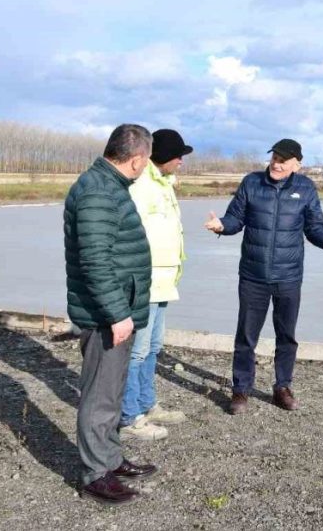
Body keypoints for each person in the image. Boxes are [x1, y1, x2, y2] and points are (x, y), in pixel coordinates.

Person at [204, 138, 323, 414]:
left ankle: (281, 387)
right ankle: (240, 390)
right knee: (246, 336)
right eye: (274, 157)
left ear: (297, 164)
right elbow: (235, 218)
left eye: (283, 160)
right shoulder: (251, 183)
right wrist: (221, 225)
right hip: (253, 275)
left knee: (286, 336)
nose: (276, 163)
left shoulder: (305, 189)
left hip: (288, 276)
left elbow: (314, 228)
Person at [64, 124, 156, 505]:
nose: (145, 167)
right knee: (99, 397)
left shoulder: (108, 187)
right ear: (136, 159)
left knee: (112, 393)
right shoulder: (98, 192)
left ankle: (111, 458)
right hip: (105, 316)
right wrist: (118, 314)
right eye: (146, 162)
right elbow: (95, 261)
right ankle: (95, 474)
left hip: (117, 310)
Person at [119, 129, 193, 441]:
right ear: (164, 156)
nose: (181, 162)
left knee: (153, 347)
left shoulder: (164, 184)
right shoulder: (140, 185)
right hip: (143, 281)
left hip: (164, 282)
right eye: (179, 156)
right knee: (136, 352)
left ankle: (148, 404)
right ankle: (129, 416)